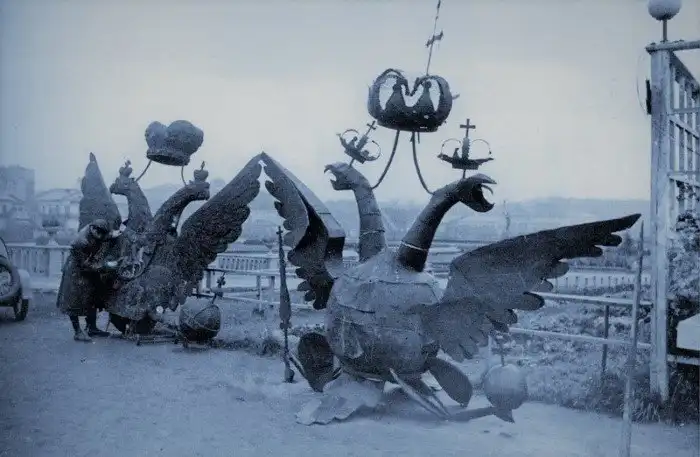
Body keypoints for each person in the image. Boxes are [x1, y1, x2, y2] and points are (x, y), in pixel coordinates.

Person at [56, 219, 120, 342]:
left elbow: (105, 236)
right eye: (99, 234)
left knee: (92, 297)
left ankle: (92, 327)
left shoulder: (95, 230)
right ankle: (77, 332)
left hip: (85, 269)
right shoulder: (80, 242)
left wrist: (114, 234)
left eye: (102, 234)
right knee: (73, 301)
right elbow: (85, 265)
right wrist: (104, 266)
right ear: (93, 229)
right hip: (74, 271)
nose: (100, 237)